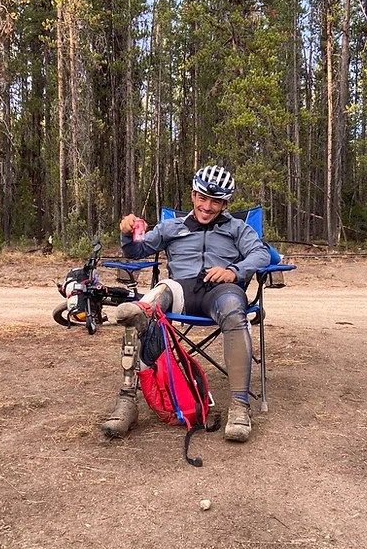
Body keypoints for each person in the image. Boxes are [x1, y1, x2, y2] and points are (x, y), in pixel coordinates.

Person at [101, 164, 271, 443]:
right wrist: (126, 232)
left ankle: (240, 407)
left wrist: (235, 271)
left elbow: (261, 255)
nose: (207, 206)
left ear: (225, 203)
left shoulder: (238, 229)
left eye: (216, 201)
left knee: (233, 310)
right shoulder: (171, 227)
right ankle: (127, 401)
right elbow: (135, 250)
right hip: (179, 290)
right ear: (193, 195)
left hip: (221, 290)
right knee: (144, 308)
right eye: (202, 198)